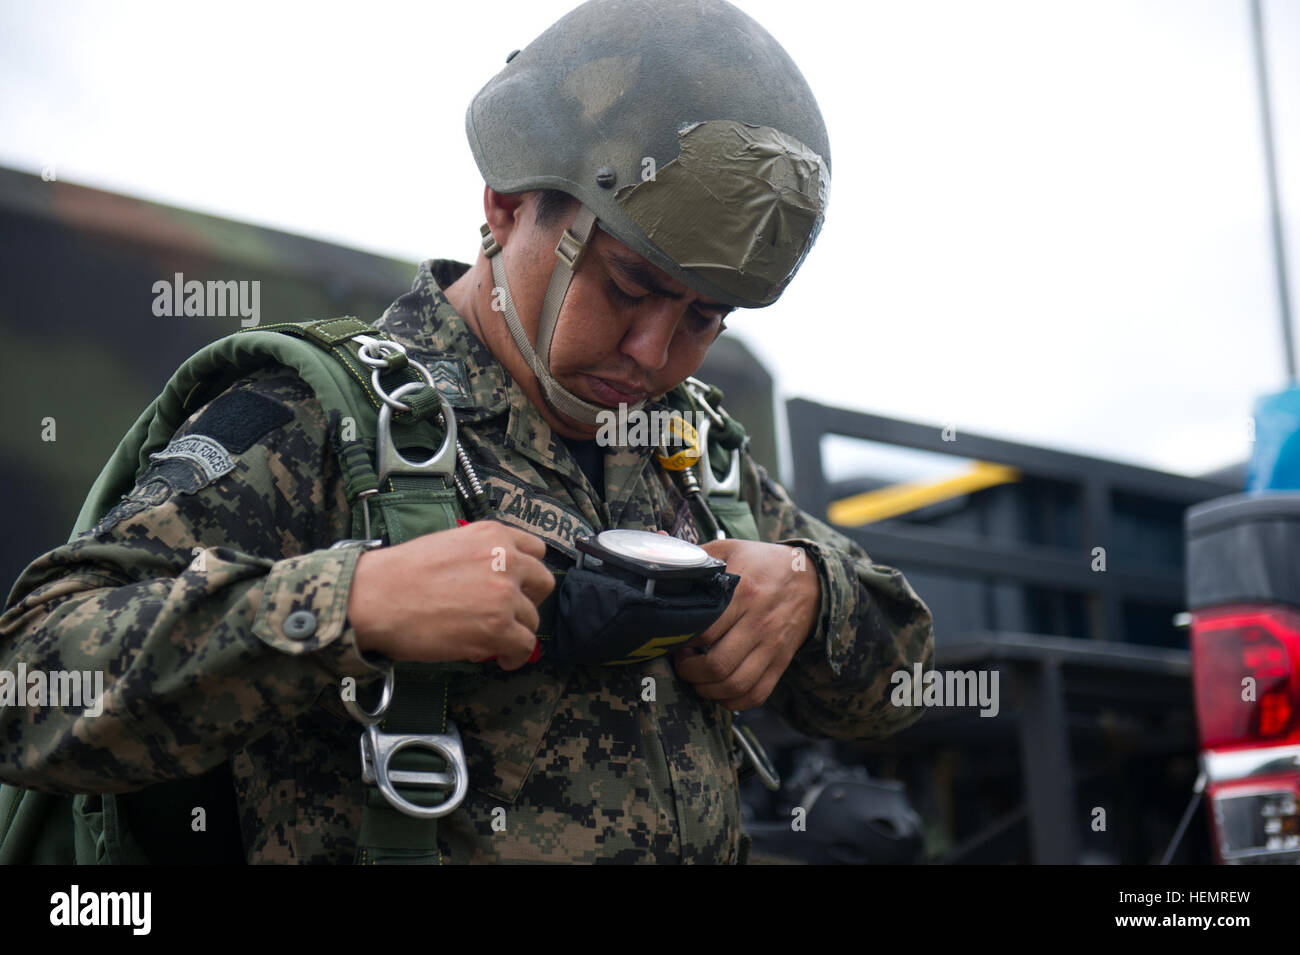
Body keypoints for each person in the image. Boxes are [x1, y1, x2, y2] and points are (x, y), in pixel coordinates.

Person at [0, 0, 934, 864]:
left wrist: (812, 598)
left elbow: (898, 688)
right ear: (507, 202)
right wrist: (350, 604)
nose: (653, 353)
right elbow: (27, 685)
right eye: (629, 288)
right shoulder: (322, 418)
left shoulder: (685, 446)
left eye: (703, 320)